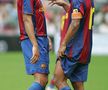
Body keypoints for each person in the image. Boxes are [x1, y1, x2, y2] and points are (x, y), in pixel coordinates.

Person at [49, 0, 95, 90]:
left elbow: (75, 23)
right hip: (85, 49)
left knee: (58, 80)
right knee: (78, 86)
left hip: (73, 48)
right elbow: (81, 15)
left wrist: (63, 44)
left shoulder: (77, 0)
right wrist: (66, 5)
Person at [17, 0, 50, 90]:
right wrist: (35, 45)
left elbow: (37, 18)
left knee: (43, 80)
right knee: (41, 79)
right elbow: (27, 19)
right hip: (34, 39)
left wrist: (46, 36)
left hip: (39, 38)